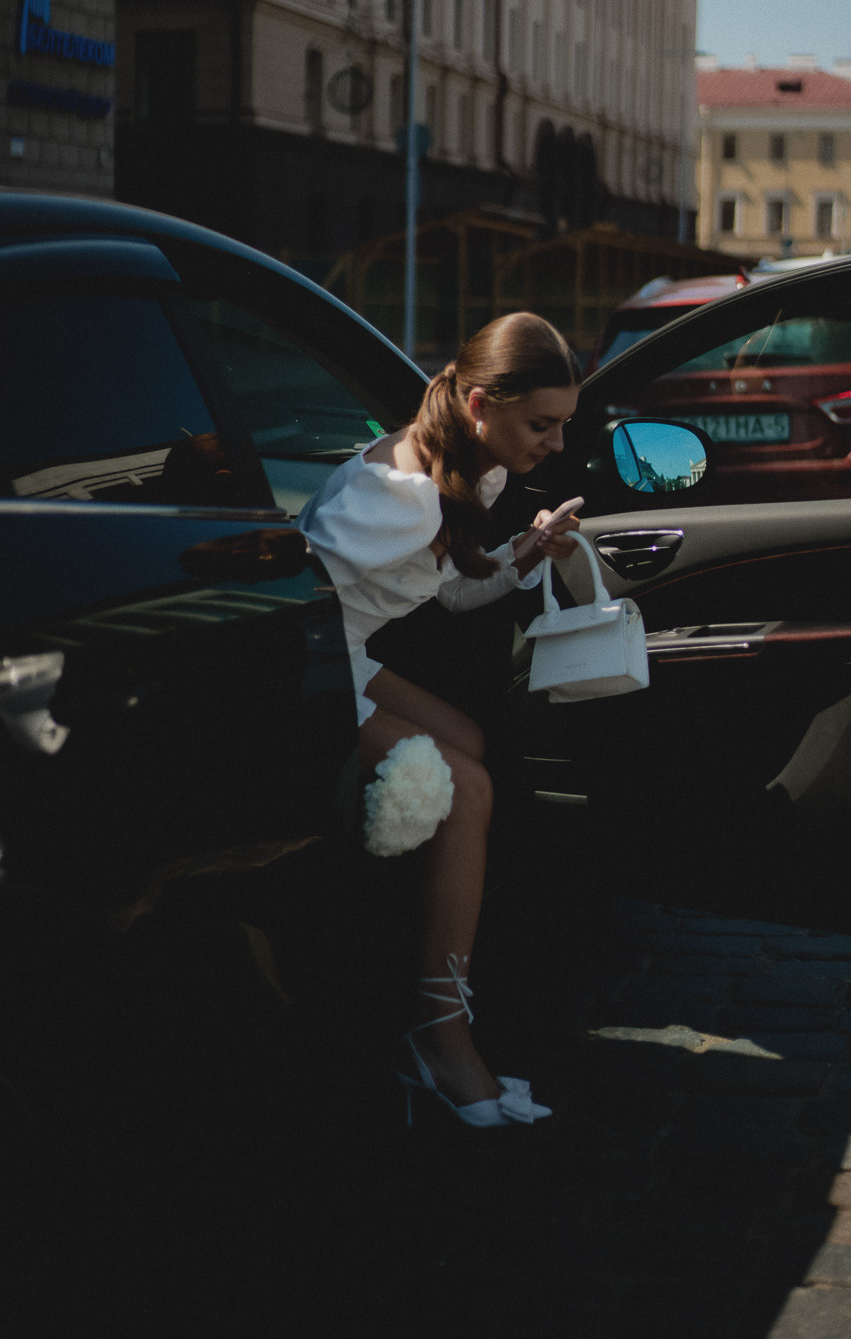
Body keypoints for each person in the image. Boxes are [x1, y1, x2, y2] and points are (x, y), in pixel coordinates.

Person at [297, 313, 581, 1127]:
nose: (556, 446)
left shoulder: (463, 469)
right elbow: (292, 600)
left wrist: (525, 554)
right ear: (484, 403)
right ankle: (440, 1036)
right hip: (308, 663)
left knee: (472, 744)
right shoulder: (404, 499)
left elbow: (449, 589)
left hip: (348, 656)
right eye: (543, 425)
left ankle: (403, 964)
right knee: (468, 788)